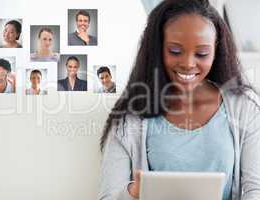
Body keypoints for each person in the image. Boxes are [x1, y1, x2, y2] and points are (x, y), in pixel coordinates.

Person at [99, 0, 260, 200]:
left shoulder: (245, 107)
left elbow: (255, 191)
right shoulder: (129, 117)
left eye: (201, 54)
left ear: (216, 51)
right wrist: (134, 191)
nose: (188, 63)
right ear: (158, 49)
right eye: (175, 51)